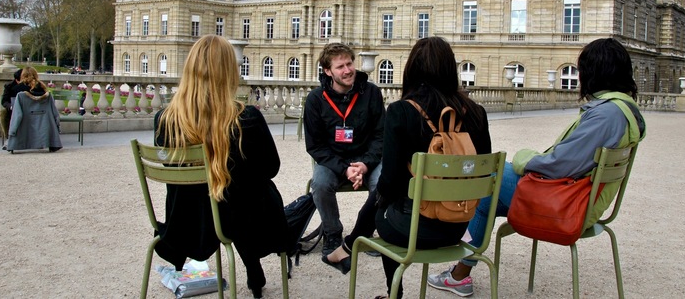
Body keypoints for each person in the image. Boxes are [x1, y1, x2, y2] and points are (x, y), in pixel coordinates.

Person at [428, 37, 646, 297]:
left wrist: (525, 160)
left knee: (489, 177)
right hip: (582, 198)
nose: (579, 78)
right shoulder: (624, 110)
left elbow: (560, 164)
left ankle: (456, 267)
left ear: (597, 72)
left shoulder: (606, 114)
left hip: (569, 203)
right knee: (487, 198)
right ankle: (459, 274)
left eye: (582, 71)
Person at [322, 37, 491, 299]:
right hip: (458, 227)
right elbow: (481, 173)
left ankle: (392, 291)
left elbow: (389, 183)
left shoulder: (402, 111)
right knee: (383, 203)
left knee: (383, 208)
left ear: (412, 68)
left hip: (413, 231)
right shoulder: (477, 112)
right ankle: (349, 245)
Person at [154, 35, 288, 299]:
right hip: (242, 219)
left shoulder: (165, 120)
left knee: (229, 191)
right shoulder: (246, 118)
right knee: (251, 190)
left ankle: (252, 266)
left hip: (187, 220)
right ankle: (253, 265)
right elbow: (272, 167)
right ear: (229, 71)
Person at [304, 42, 385, 255]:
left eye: (349, 63)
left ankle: (365, 233)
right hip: (333, 159)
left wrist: (366, 165)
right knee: (320, 184)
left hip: (366, 158)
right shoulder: (315, 100)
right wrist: (344, 169)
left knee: (386, 179)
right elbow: (315, 146)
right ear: (327, 71)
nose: (348, 70)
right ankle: (332, 233)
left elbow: (380, 136)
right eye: (340, 67)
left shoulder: (372, 93)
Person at [7, 67, 62, 152]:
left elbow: (17, 115)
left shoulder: (17, 90)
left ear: (23, 76)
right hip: (44, 123)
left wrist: (12, 132)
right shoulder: (45, 91)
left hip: (25, 122)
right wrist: (57, 127)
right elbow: (55, 113)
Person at [0, 68, 22, 149]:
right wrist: (10, 106)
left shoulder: (30, 85)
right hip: (12, 108)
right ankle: (8, 137)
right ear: (17, 80)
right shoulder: (9, 86)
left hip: (27, 109)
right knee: (3, 113)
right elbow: (4, 101)